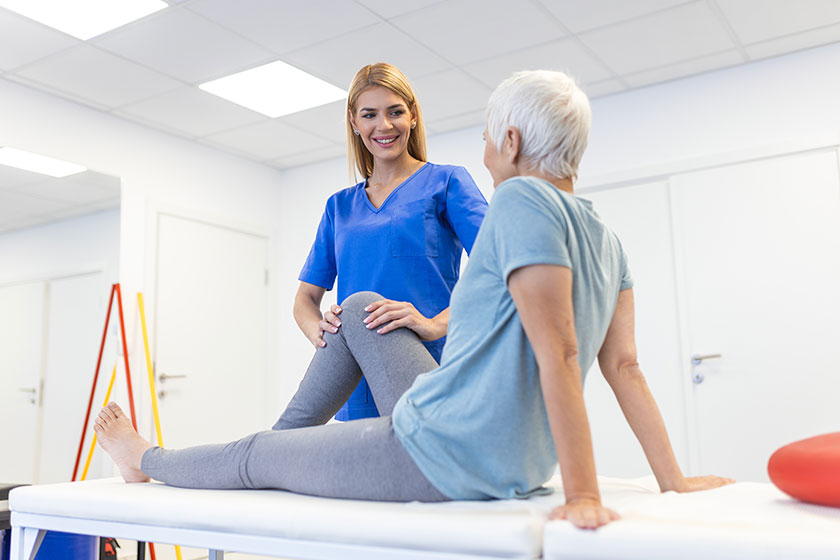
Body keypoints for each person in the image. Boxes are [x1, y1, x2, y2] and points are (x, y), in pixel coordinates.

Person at [95, 70, 732, 530]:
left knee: (257, 454)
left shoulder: (519, 200)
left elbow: (560, 351)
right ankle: (286, 448)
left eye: (487, 138)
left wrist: (584, 495)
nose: (484, 152)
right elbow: (624, 367)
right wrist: (672, 481)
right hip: (486, 440)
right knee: (361, 304)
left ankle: (145, 458)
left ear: (511, 142)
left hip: (444, 451)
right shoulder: (606, 237)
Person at [292, 62, 488, 422]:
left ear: (412, 115)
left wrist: (435, 323)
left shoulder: (447, 183)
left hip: (429, 369)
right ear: (354, 122)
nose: (383, 126)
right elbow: (305, 299)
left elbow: (499, 270)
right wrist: (321, 333)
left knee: (425, 456)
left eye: (395, 112)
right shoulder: (339, 207)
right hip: (356, 387)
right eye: (369, 115)